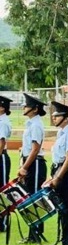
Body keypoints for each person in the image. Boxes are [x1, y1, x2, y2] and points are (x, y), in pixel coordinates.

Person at [45, 101, 68, 245]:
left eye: (57, 116)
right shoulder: (61, 132)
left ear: (66, 118)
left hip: (67, 172)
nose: (54, 118)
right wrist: (52, 176)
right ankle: (64, 240)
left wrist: (58, 177)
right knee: (61, 206)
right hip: (57, 170)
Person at [18, 94, 47, 243]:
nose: (24, 107)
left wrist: (24, 167)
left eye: (27, 106)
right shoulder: (30, 124)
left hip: (35, 163)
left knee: (35, 198)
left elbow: (35, 149)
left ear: (35, 109)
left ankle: (36, 233)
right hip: (29, 162)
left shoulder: (36, 125)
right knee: (29, 198)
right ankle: (32, 233)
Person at [0, 96, 11, 233]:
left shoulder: (2, 122)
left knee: (2, 189)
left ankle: (2, 222)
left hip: (1, 156)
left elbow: (1, 142)